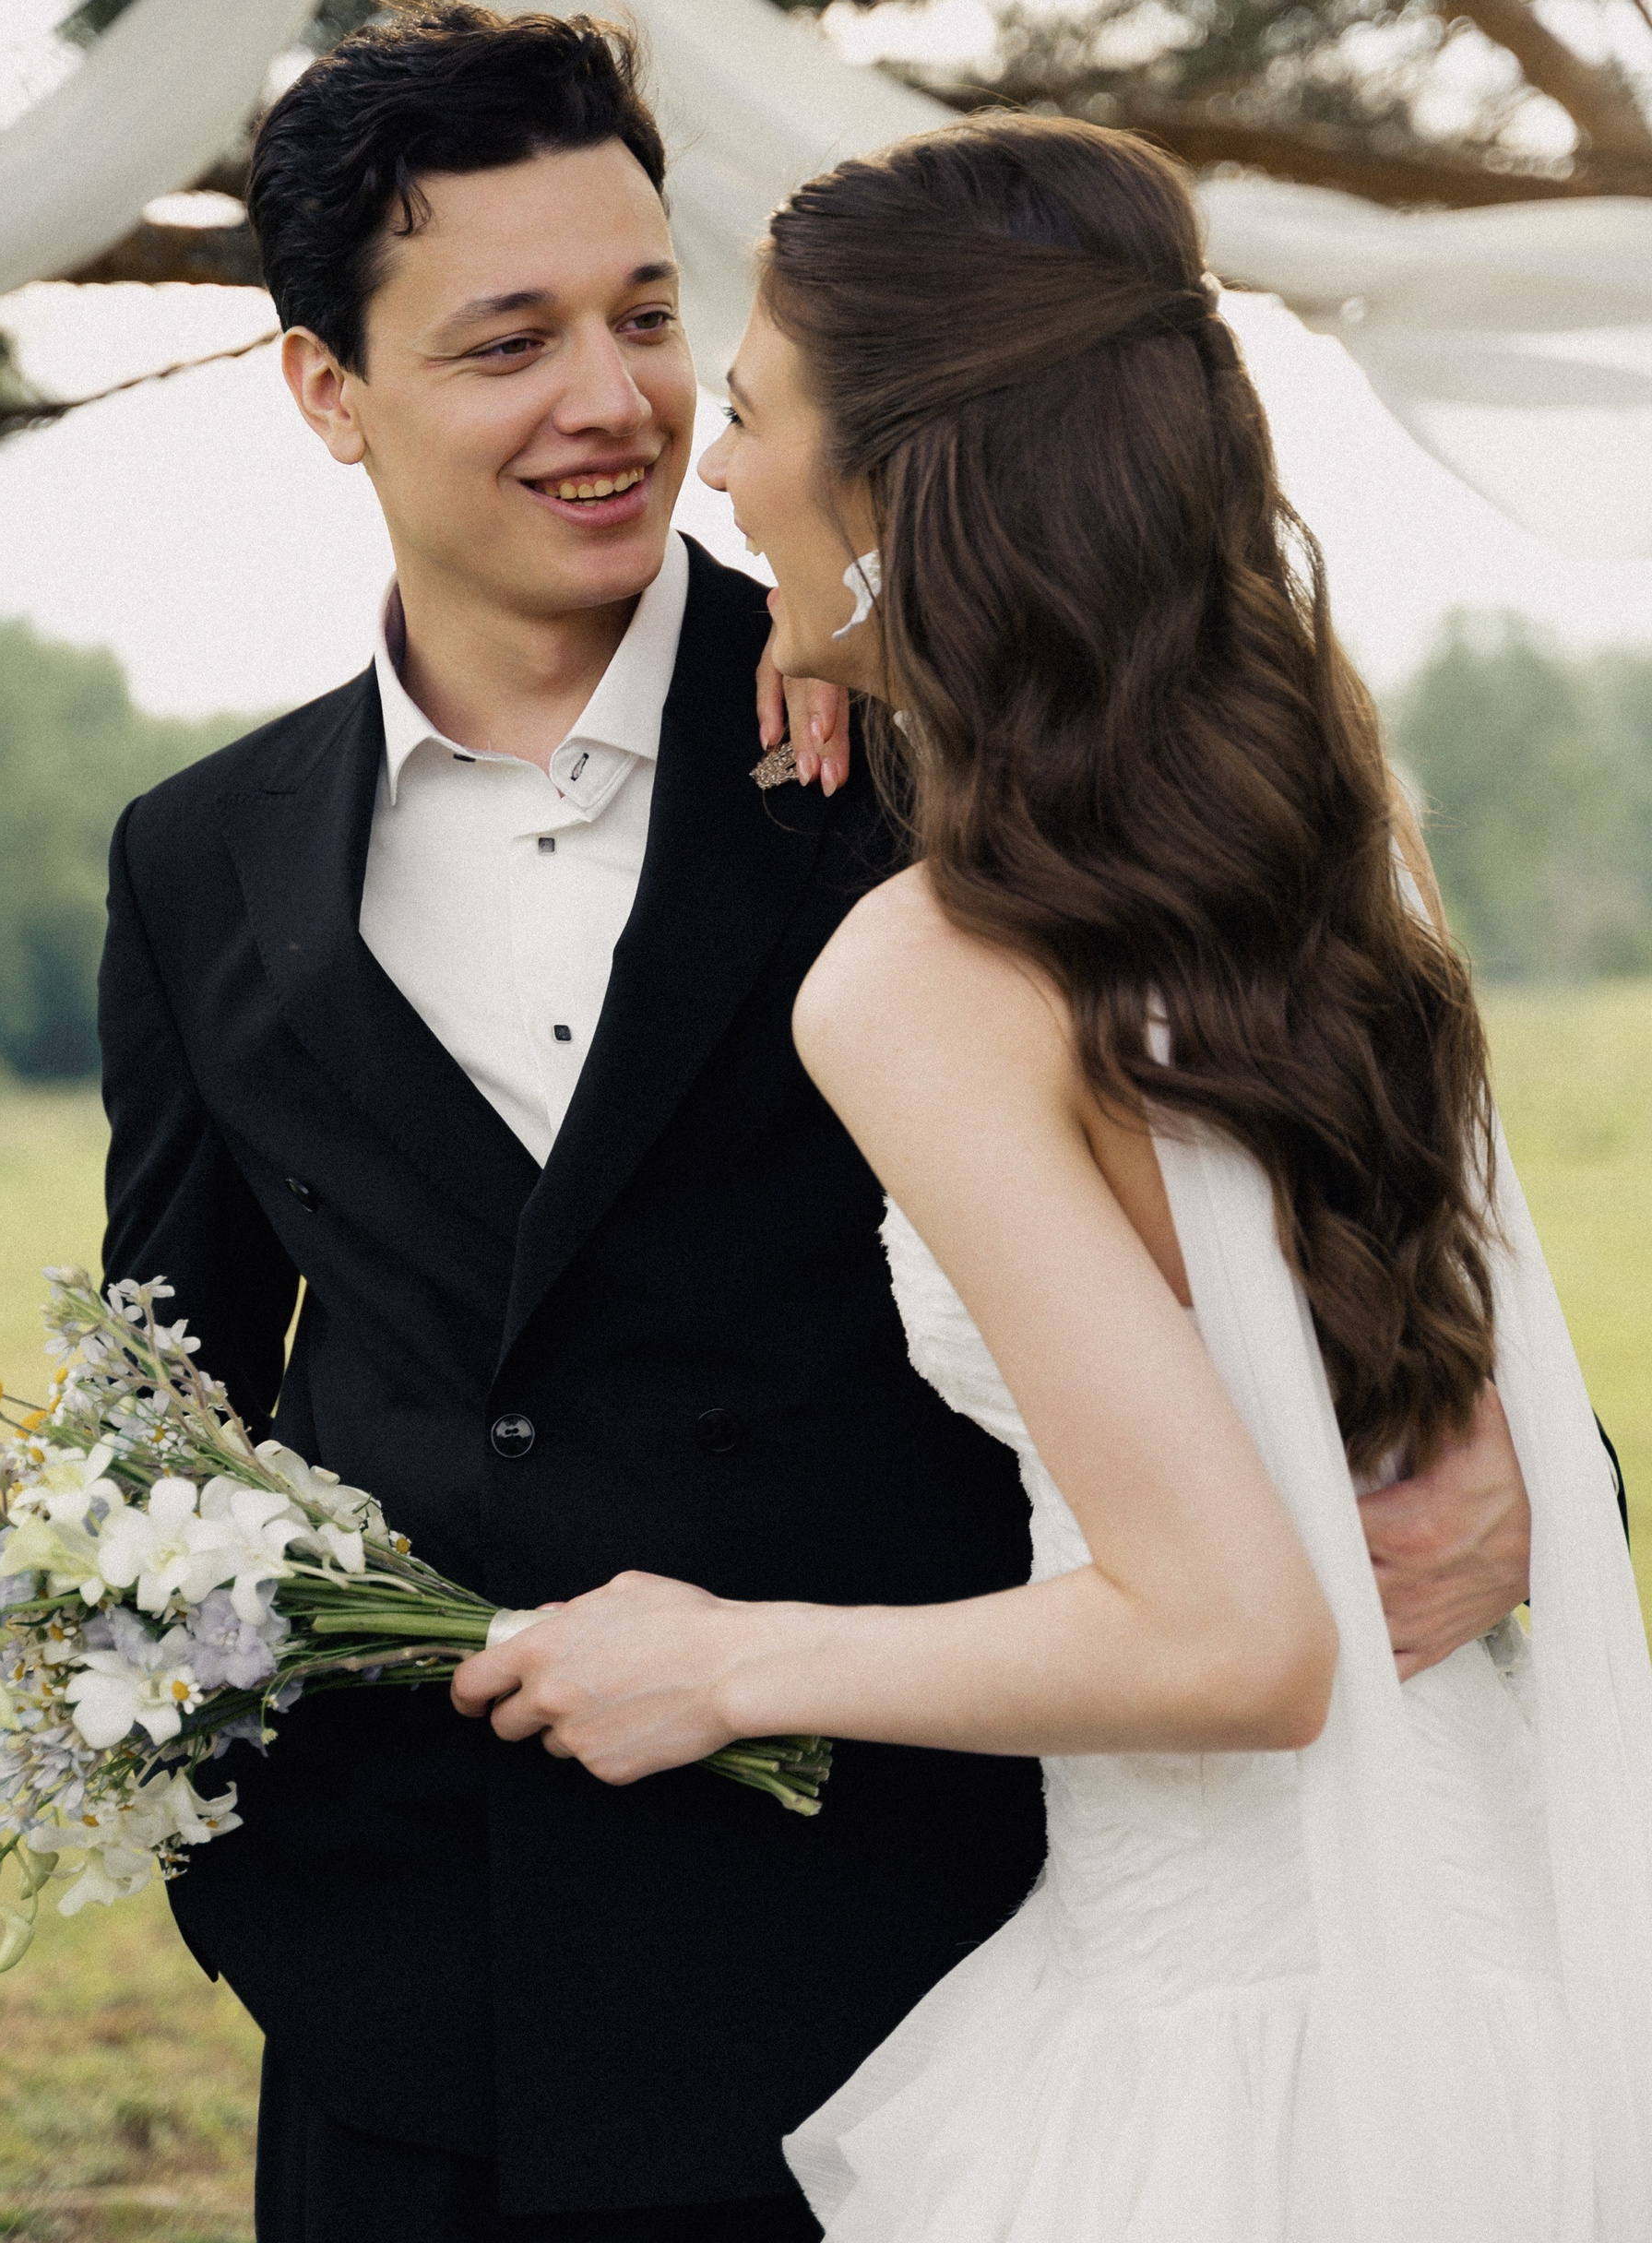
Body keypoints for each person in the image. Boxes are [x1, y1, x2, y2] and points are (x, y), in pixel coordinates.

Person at [98, 0, 1541, 2239]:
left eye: (646, 313)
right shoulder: (200, 859)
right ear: (326, 388)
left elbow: (1327, 1208)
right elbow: (167, 1397)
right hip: (414, 2018)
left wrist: (1521, 1471)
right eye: (508, 341)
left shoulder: (964, 760)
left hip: (911, 1985)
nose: (617, 402)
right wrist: (228, 1824)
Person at [448, 113, 1652, 2239]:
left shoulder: (925, 975)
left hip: (1241, 2049)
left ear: (902, 483)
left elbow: (1234, 1641)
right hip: (1494, 1943)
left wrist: (722, 1661)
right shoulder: (1321, 843)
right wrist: (864, 636)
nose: (714, 469)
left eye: (753, 412)